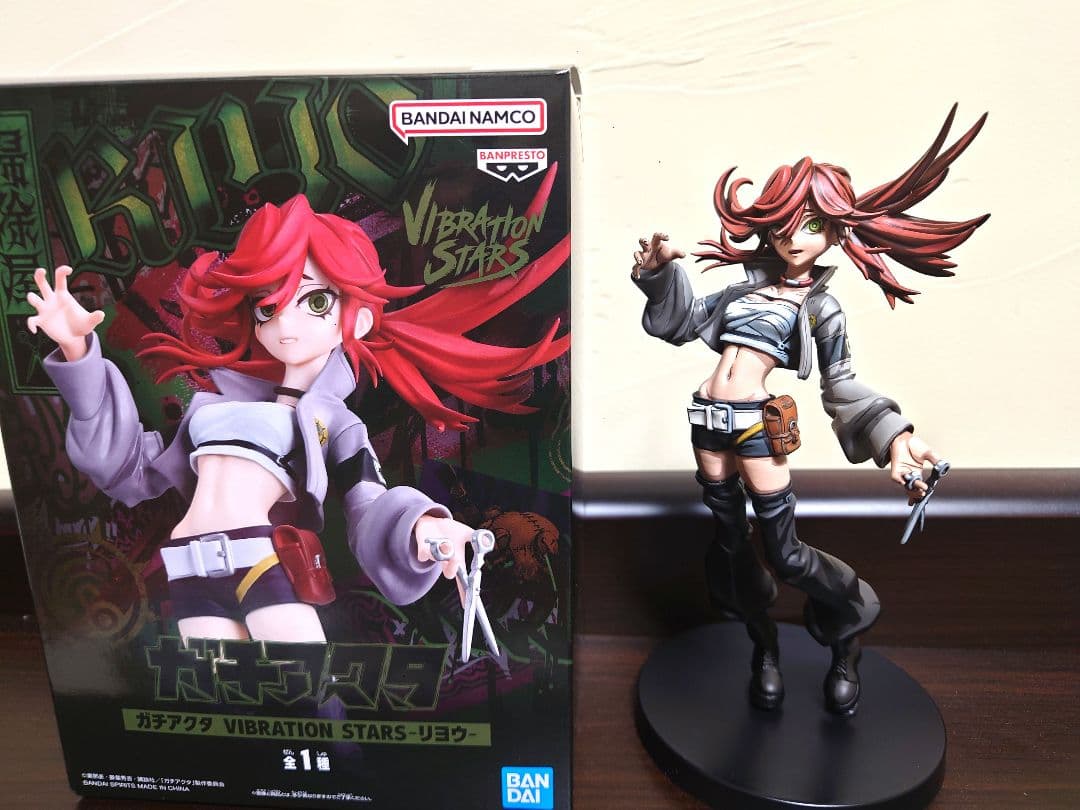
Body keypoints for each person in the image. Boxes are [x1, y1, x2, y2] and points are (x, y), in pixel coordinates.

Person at [29, 191, 568, 647]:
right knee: (223, 700)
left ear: (358, 317)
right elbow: (125, 466)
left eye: (314, 303)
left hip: (263, 560)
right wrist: (79, 355)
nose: (284, 322)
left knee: (307, 689)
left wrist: (422, 527)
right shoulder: (212, 410)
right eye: (268, 306)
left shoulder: (336, 422)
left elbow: (367, 502)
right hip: (189, 567)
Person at [630, 107, 987, 715]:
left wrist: (895, 439)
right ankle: (764, 648)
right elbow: (681, 323)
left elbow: (840, 384)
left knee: (786, 553)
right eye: (784, 223)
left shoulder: (822, 308)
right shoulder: (741, 288)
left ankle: (848, 627)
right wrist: (661, 273)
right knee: (730, 548)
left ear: (837, 231)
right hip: (707, 423)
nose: (794, 236)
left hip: (754, 426)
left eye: (813, 224)